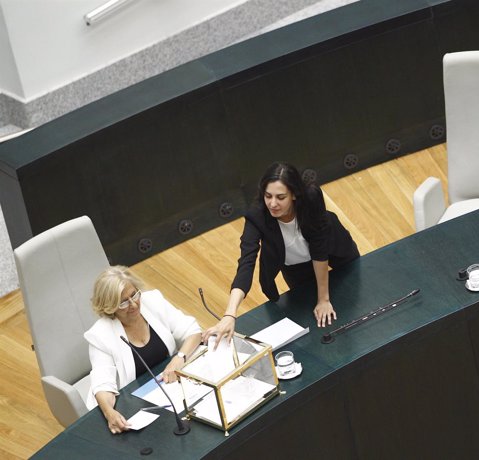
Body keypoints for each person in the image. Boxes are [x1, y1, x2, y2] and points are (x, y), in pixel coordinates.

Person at [202, 162, 359, 346]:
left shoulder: (311, 197)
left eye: (280, 197)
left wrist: (323, 298)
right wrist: (230, 313)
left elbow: (319, 248)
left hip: (333, 250)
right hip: (295, 266)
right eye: (268, 196)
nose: (273, 204)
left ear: (294, 194)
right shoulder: (257, 215)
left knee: (353, 295)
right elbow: (246, 262)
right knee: (310, 312)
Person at [84, 266, 202, 435]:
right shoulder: (100, 335)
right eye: (123, 302)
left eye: (134, 294)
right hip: (137, 406)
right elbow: (103, 385)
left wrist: (179, 358)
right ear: (110, 307)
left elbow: (193, 331)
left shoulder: (152, 301)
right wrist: (110, 413)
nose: (133, 304)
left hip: (172, 391)